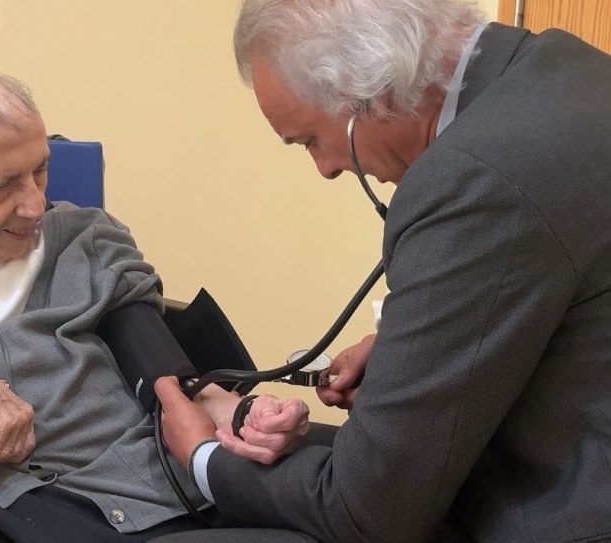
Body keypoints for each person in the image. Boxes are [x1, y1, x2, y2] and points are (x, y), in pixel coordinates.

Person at [153, 1, 611, 542]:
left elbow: (369, 512)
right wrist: (417, 346)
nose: (325, 169)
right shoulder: (568, 69)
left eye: (310, 140)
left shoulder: (472, 179)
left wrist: (205, 459)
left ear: (374, 93)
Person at [0, 65, 310, 543]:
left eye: (41, 169)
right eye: (4, 184)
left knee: (335, 497)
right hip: (27, 503)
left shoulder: (87, 235)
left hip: (157, 472)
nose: (34, 204)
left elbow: (150, 348)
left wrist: (220, 403)